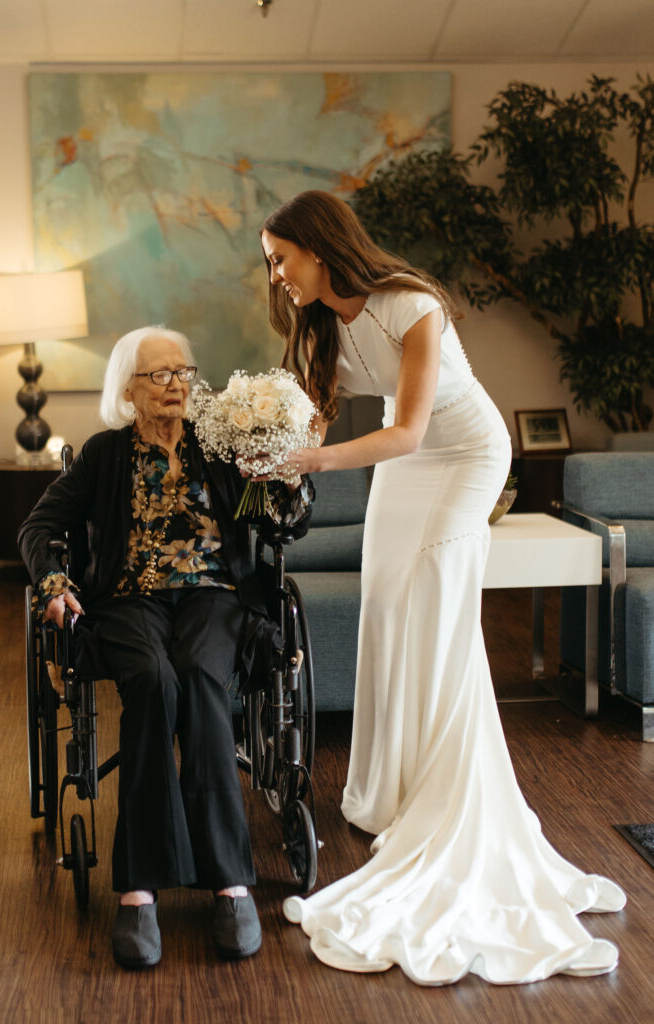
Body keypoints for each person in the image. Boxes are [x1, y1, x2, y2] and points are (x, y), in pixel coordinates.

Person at [259, 190, 625, 985]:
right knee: (387, 604)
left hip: (461, 457)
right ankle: (389, 790)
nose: (276, 274)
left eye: (282, 258)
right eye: (271, 262)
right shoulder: (319, 320)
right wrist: (277, 444)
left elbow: (412, 430)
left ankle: (446, 793)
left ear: (320, 250)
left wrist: (313, 463)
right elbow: (319, 416)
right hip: (406, 461)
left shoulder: (410, 304)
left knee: (437, 606)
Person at [19, 325, 313, 970]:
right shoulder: (102, 454)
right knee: (153, 680)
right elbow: (40, 525)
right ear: (129, 389)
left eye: (184, 371)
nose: (177, 384)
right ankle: (138, 889)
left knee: (203, 676)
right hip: (128, 599)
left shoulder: (220, 446)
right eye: (160, 375)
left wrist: (288, 479)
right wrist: (54, 583)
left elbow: (280, 520)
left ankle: (230, 883)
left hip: (215, 593)